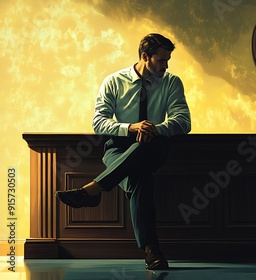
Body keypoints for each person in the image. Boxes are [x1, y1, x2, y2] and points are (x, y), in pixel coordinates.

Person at [55, 33, 191, 270]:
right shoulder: (113, 82)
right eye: (161, 60)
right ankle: (152, 252)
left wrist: (155, 129)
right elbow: (98, 122)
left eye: (168, 60)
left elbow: (184, 121)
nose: (166, 65)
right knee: (141, 179)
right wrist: (130, 128)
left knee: (149, 149)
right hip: (117, 150)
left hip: (153, 146)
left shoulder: (171, 82)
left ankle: (95, 189)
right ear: (145, 57)